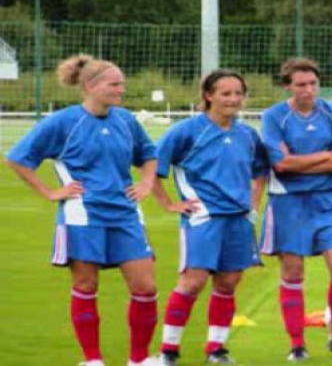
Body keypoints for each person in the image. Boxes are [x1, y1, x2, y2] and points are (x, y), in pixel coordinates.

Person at [5, 54, 159, 366]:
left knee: (145, 287)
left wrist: (145, 182)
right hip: (82, 215)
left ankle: (139, 360)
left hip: (126, 213)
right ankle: (92, 361)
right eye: (114, 84)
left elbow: (149, 154)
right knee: (86, 285)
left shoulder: (126, 120)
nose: (121, 90)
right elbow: (17, 158)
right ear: (89, 86)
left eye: (122, 85)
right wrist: (50, 192)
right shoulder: (63, 122)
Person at [153, 69, 268, 365]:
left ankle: (215, 349)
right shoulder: (187, 131)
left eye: (238, 93)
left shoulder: (247, 134)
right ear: (208, 95)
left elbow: (259, 172)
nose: (233, 99)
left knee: (228, 283)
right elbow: (152, 167)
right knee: (192, 282)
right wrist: (168, 204)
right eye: (225, 93)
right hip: (202, 218)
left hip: (239, 220)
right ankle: (168, 350)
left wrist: (253, 206)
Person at [259, 58, 332, 361]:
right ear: (288, 86)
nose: (308, 90)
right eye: (301, 85)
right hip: (288, 203)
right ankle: (297, 344)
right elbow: (281, 165)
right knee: (292, 271)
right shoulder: (274, 116)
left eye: (313, 83)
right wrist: (324, 157)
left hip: (328, 201)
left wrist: (302, 162)